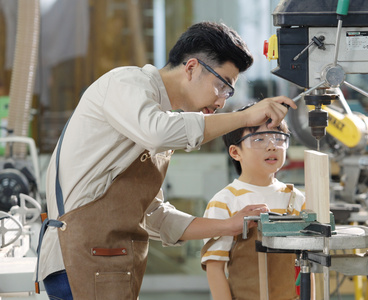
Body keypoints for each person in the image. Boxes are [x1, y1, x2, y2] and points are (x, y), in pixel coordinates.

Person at [34, 21, 296, 300]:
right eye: (222, 86)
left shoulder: (160, 119)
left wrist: (229, 225)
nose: (221, 102)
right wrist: (245, 117)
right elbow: (158, 132)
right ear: (192, 67)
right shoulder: (127, 84)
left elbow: (154, 215)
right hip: (76, 262)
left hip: (109, 265)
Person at [201, 103, 306, 300]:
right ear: (235, 152)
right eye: (258, 139)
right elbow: (215, 267)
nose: (272, 145)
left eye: (279, 138)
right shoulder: (225, 201)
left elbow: (309, 264)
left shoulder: (296, 199)